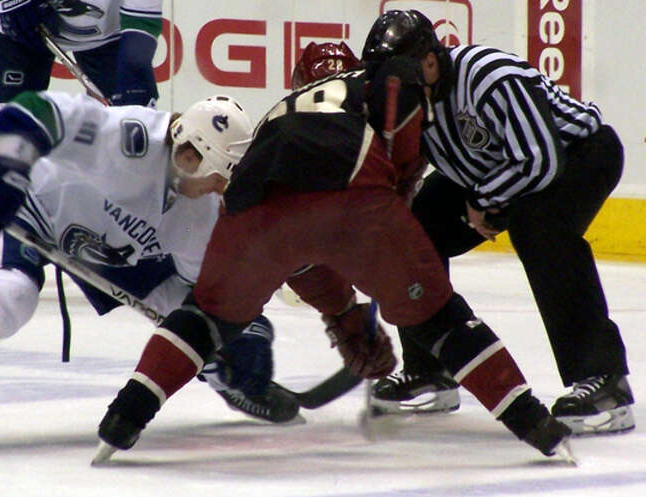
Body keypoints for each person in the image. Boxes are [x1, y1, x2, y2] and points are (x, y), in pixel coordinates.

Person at [87, 49, 575, 464]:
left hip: (256, 202)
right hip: (354, 189)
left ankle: (122, 419)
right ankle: (534, 424)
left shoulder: (276, 113)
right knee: (438, 318)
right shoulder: (384, 77)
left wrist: (341, 311)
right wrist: (401, 189)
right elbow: (399, 106)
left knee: (206, 316)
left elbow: (299, 253)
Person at [0, 91, 299, 457]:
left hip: (101, 247)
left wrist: (234, 334)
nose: (221, 190)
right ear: (190, 154)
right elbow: (29, 111)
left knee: (195, 319)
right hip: (27, 204)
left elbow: (200, 297)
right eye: (220, 178)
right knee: (12, 291)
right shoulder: (131, 138)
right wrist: (5, 176)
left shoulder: (200, 212)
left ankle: (224, 376)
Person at [360, 10, 634, 436]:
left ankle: (605, 383)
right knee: (413, 233)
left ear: (430, 62)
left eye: (397, 77)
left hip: (578, 156)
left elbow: (541, 160)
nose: (390, 91)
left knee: (539, 229)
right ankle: (431, 370)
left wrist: (482, 200)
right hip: (492, 173)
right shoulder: (412, 101)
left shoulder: (488, 76)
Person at [0, 0, 164, 297]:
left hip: (107, 37)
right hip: (26, 24)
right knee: (1, 121)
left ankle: (126, 237)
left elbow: (141, 27)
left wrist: (133, 82)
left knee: (135, 127)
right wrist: (8, 5)